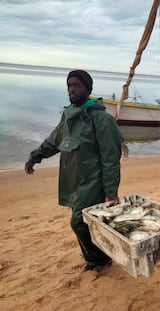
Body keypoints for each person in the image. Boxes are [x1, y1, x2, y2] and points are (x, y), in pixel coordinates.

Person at [24, 70, 123, 272]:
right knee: (87, 224)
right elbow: (54, 140)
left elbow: (111, 158)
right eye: (69, 85)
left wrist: (111, 192)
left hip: (93, 183)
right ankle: (94, 260)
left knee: (78, 222)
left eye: (77, 85)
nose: (72, 89)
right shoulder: (68, 115)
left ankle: (100, 260)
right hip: (73, 181)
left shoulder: (101, 119)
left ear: (88, 89)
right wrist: (35, 156)